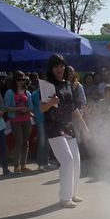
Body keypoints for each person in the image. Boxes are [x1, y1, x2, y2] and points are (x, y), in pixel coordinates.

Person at [40, 53, 90, 208]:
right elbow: (42, 108)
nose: (59, 69)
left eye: (61, 66)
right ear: (51, 68)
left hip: (68, 126)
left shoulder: (68, 84)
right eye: (56, 66)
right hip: (54, 127)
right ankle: (64, 198)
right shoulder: (47, 84)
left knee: (76, 160)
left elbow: (74, 109)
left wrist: (84, 128)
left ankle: (72, 193)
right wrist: (51, 103)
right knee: (67, 160)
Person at [4, 71, 34, 173]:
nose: (21, 81)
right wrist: (17, 109)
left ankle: (23, 165)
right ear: (15, 80)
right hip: (15, 120)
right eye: (19, 79)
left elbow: (31, 107)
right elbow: (6, 108)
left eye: (23, 79)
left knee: (26, 142)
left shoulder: (27, 92)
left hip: (26, 119)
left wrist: (26, 109)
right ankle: (16, 166)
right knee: (19, 141)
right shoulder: (10, 92)